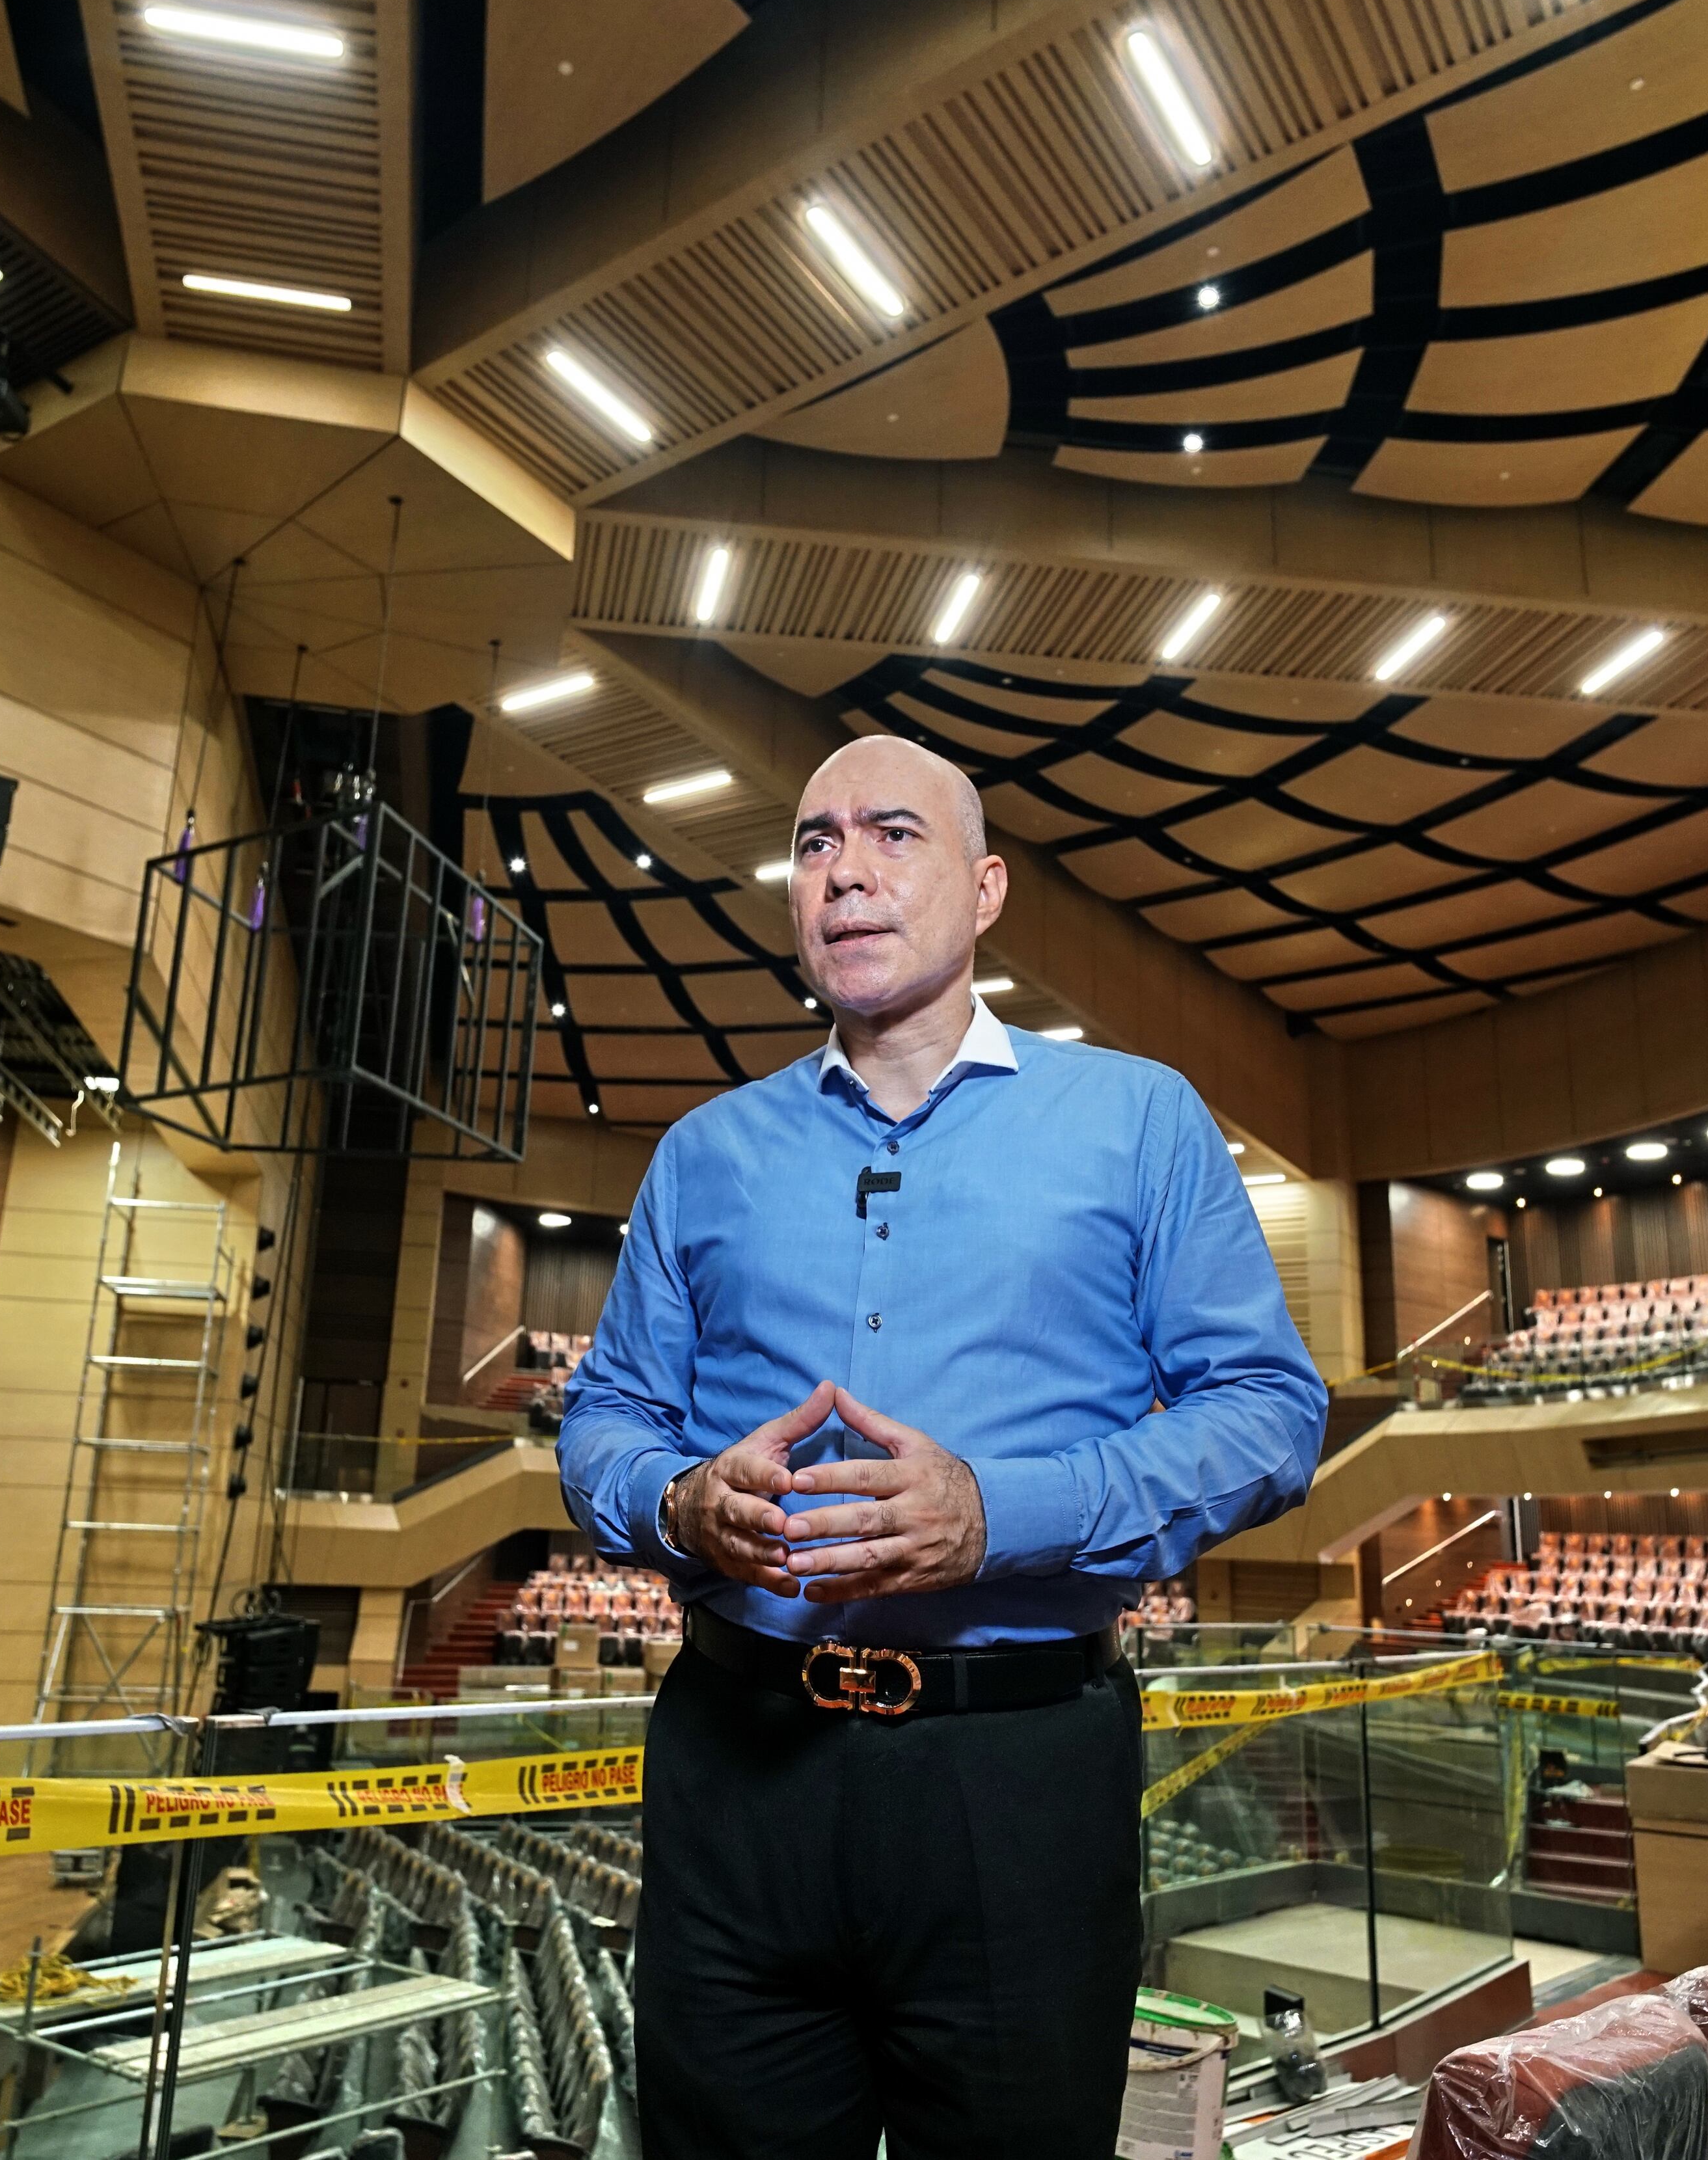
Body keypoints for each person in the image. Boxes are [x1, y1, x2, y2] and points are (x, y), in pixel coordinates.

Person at [560, 734, 1329, 2158]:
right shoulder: (704, 1152)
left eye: (890, 833)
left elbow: (1270, 1412)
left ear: (984, 889)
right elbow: (604, 1417)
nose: (843, 868)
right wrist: (674, 1498)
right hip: (740, 1763)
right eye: (811, 842)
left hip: (1017, 1776)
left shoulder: (1138, 1117)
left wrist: (1003, 1513)